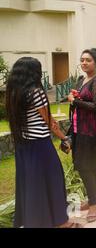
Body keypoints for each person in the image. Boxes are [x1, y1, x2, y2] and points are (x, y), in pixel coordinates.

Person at [5, 57, 80, 228]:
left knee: (31, 184)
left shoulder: (14, 93)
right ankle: (62, 222)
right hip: (40, 145)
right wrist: (64, 137)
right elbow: (50, 122)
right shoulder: (36, 92)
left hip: (23, 146)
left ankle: (36, 221)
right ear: (34, 73)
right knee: (53, 179)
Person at [68, 48, 96, 223]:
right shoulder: (82, 79)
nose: (84, 63)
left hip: (92, 130)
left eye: (88, 60)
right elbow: (85, 100)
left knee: (83, 165)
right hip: (79, 127)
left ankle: (93, 204)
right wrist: (77, 96)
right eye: (82, 60)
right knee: (90, 164)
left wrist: (76, 101)